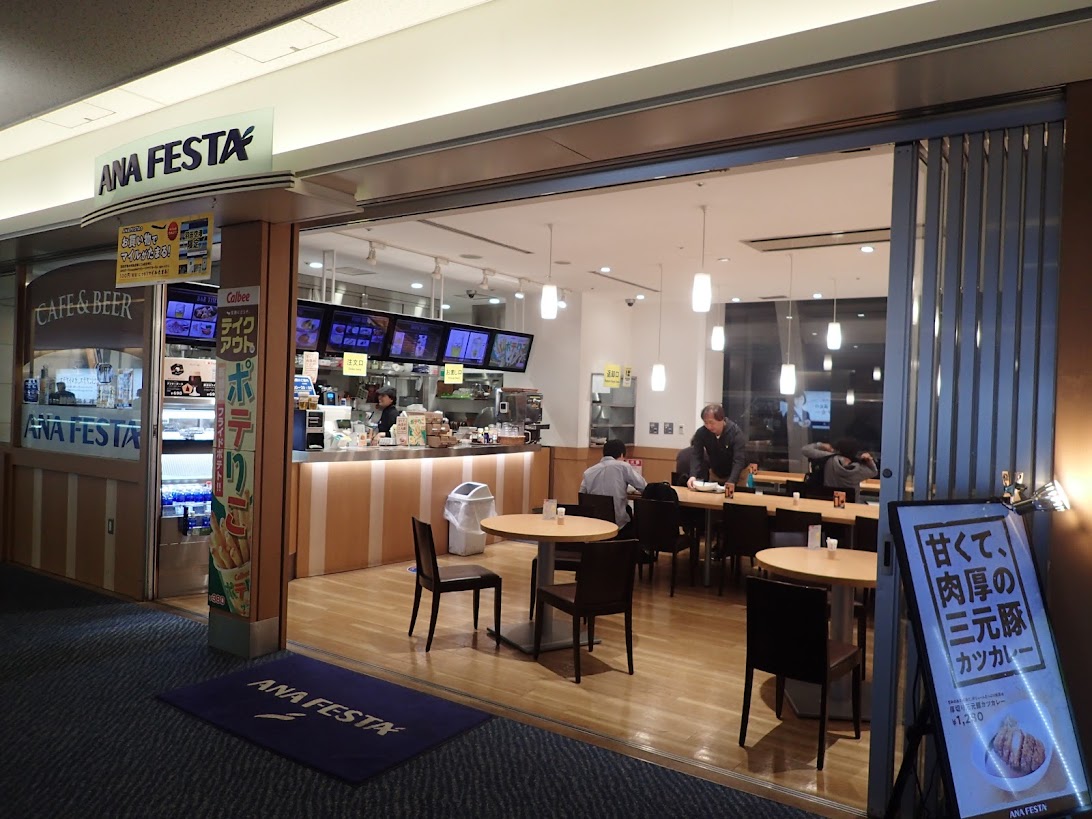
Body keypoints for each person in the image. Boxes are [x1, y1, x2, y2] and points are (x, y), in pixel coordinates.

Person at [580, 439, 647, 531]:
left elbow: (582, 496)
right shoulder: (623, 466)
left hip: (595, 523)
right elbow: (643, 487)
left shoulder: (588, 472)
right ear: (622, 454)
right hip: (618, 524)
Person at [687, 403, 747, 488]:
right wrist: (693, 475)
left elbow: (738, 460)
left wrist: (731, 481)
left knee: (734, 495)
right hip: (716, 473)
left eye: (711, 422)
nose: (709, 426)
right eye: (706, 423)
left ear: (721, 419)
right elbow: (696, 455)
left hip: (737, 474)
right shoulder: (701, 433)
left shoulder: (735, 433)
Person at [802, 438, 878, 489]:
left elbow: (805, 450)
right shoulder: (859, 469)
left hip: (828, 502)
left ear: (837, 449)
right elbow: (874, 472)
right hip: (851, 505)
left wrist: (820, 445)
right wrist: (869, 460)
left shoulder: (829, 459)